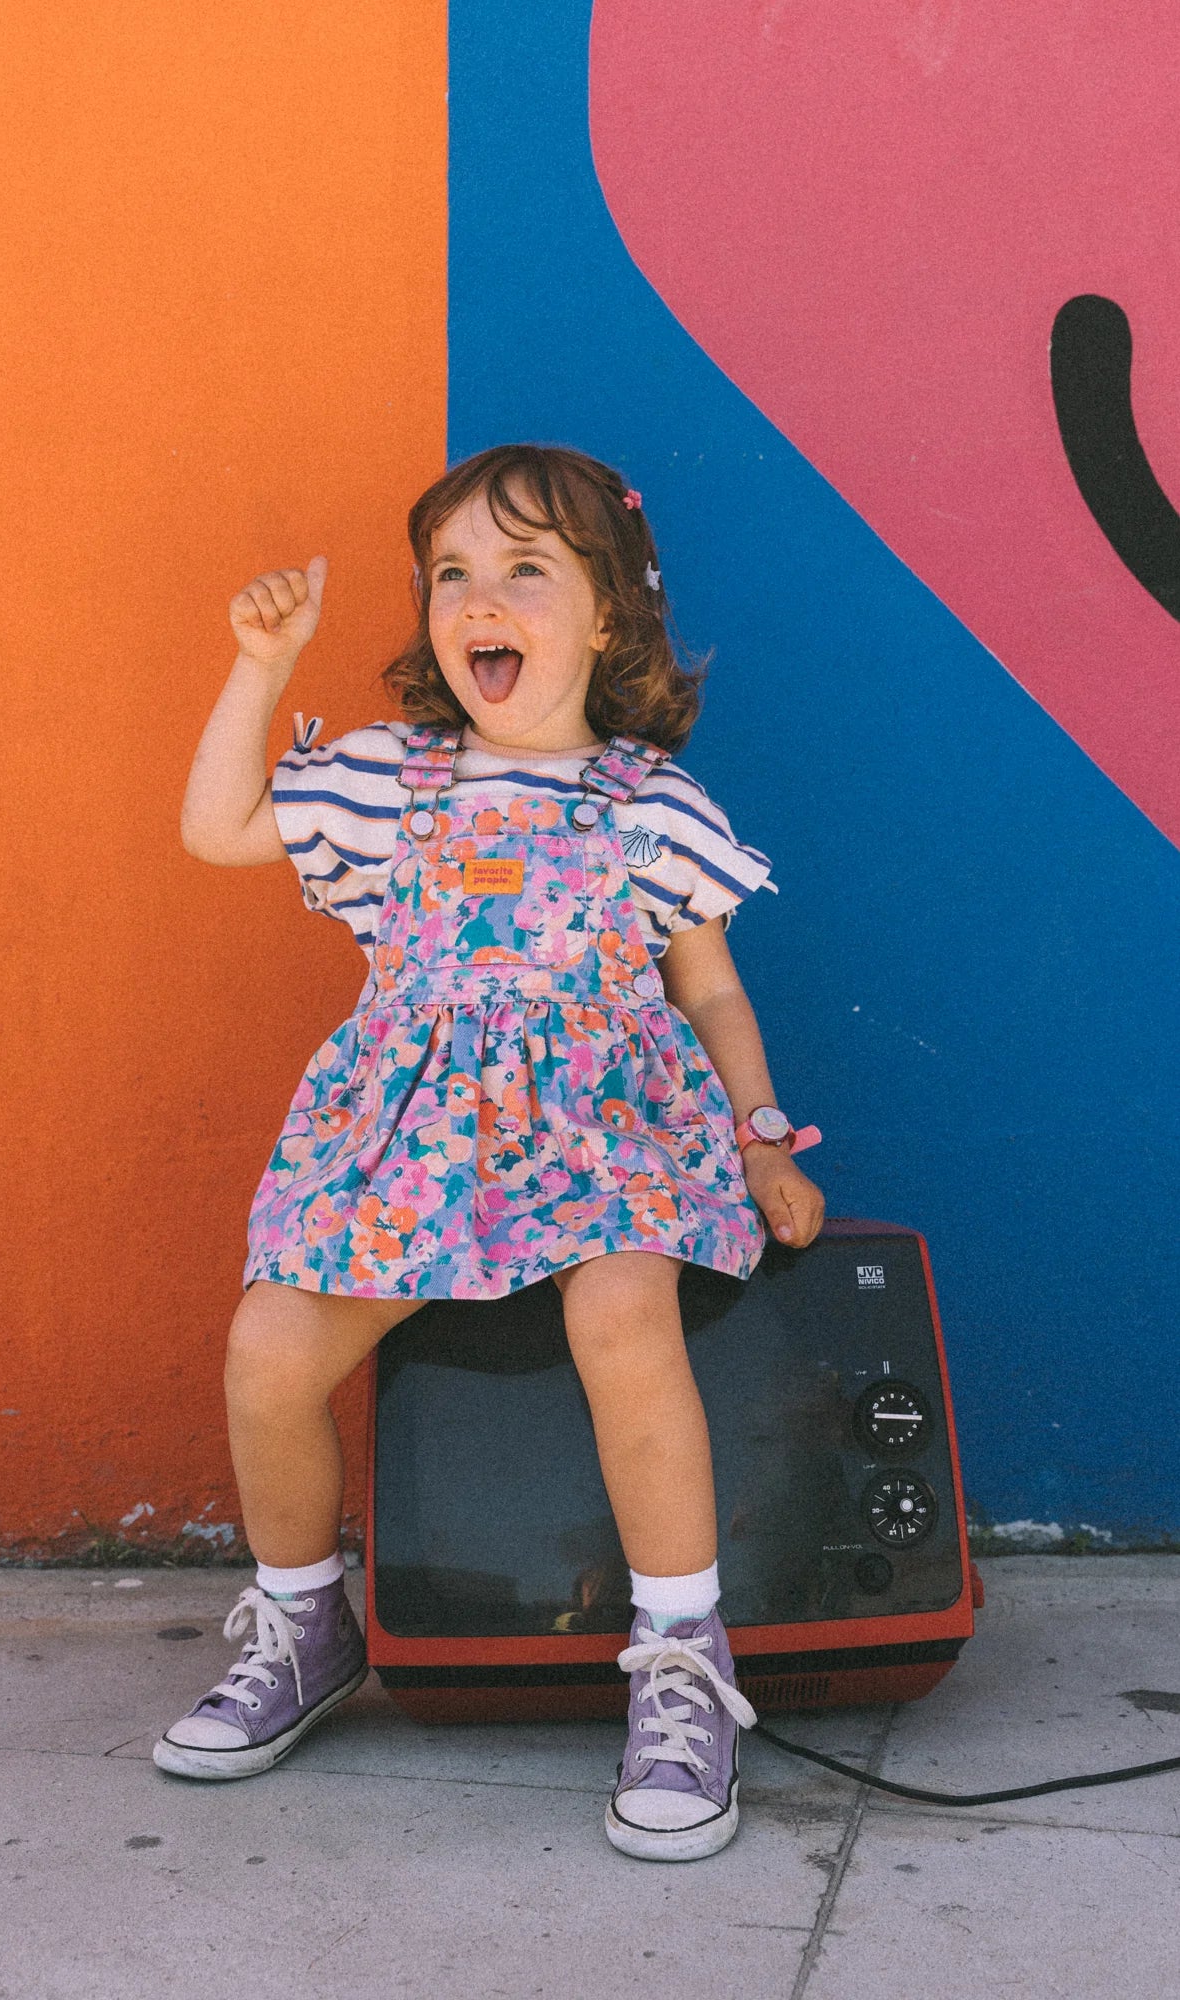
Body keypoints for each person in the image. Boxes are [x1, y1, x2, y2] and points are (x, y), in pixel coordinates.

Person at [155, 443, 825, 1862]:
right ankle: (300, 1620)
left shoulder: (647, 803)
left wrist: (762, 1136)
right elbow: (215, 829)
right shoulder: (386, 782)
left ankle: (680, 1654)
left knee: (622, 1307)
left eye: (526, 569)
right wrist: (262, 666)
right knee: (268, 1352)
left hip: (603, 1131)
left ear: (605, 618)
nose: (481, 597)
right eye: (453, 571)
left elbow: (706, 988)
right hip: (413, 1144)